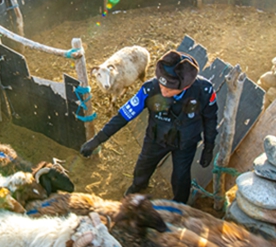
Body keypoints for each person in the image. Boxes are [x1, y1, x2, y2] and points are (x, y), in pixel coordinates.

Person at [80, 50, 218, 204]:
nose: (163, 91)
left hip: (186, 142)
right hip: (156, 138)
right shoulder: (150, 89)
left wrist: (209, 147)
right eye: (161, 85)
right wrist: (97, 140)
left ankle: (180, 203)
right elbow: (124, 116)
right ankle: (138, 186)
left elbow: (210, 119)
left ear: (185, 87)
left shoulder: (204, 90)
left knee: (181, 176)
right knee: (143, 166)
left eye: (170, 89)